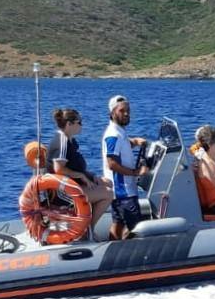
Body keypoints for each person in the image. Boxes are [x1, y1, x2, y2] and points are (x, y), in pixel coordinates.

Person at [47, 107, 112, 240]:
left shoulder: (70, 141)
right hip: (62, 192)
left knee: (107, 183)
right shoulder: (62, 142)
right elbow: (59, 169)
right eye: (79, 122)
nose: (82, 125)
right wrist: (81, 176)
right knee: (109, 194)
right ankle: (88, 229)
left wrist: (92, 176)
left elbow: (75, 167)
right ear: (69, 124)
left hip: (73, 185)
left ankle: (85, 223)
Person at [102, 94, 149, 240]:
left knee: (118, 223)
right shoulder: (113, 135)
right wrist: (135, 172)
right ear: (112, 113)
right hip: (124, 192)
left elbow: (123, 145)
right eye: (122, 111)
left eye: (128, 110)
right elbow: (112, 163)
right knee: (135, 228)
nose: (127, 113)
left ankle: (112, 248)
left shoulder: (119, 132)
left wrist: (135, 142)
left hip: (120, 192)